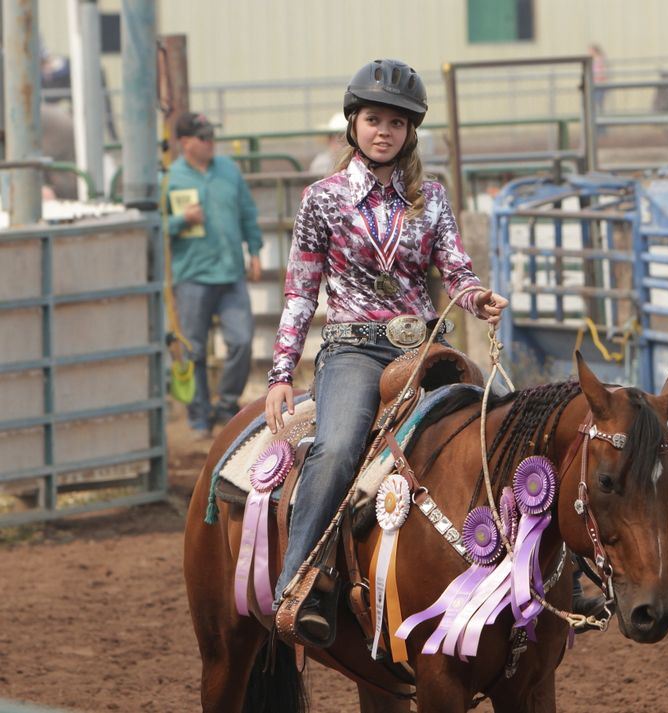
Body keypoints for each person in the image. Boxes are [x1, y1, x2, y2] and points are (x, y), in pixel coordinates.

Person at [266, 59, 508, 641]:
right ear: (354, 125)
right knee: (339, 446)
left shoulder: (431, 198)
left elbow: (455, 268)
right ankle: (297, 584)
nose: (384, 131)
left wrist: (476, 298)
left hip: (427, 345)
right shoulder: (321, 201)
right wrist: (280, 373)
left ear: (410, 133)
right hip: (354, 348)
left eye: (396, 124)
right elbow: (300, 293)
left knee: (509, 423)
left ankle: (549, 570)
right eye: (373, 119)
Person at [167, 112, 262, 439]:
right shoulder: (170, 178)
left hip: (230, 272)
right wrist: (180, 220)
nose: (210, 143)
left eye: (211, 137)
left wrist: (255, 250)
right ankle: (199, 416)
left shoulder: (228, 171)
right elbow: (155, 227)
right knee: (193, 348)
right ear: (185, 142)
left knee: (242, 340)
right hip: (192, 274)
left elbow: (248, 211)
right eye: (203, 138)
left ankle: (226, 405)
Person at [308, 112, 349, 177]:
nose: (334, 141)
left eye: (342, 137)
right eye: (331, 137)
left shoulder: (356, 162)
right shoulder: (320, 162)